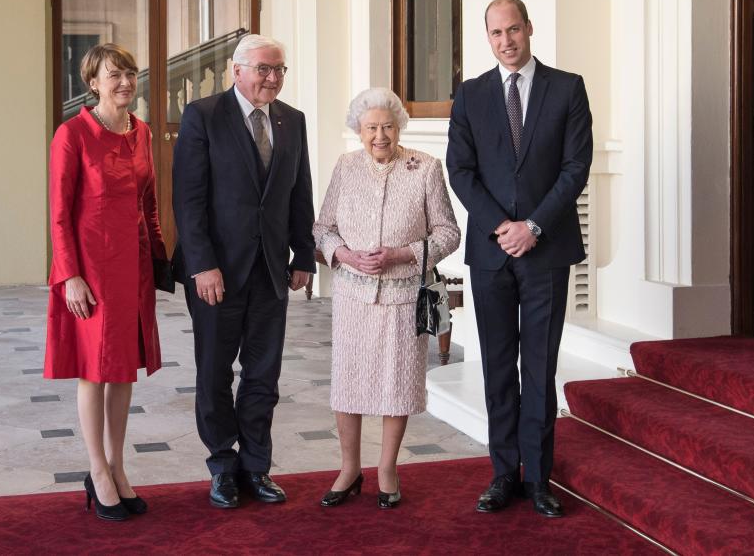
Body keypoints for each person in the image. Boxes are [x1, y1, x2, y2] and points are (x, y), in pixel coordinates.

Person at [446, 0, 593, 518]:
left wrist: (532, 227)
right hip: (490, 255)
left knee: (539, 368)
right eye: (495, 33)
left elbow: (576, 166)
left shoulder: (567, 88)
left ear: (529, 29)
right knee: (496, 370)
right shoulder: (469, 95)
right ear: (487, 38)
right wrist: (500, 228)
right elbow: (460, 171)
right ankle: (503, 474)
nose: (506, 41)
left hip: (545, 251)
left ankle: (539, 480)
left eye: (513, 30)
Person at [172, 34, 316, 509]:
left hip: (271, 271)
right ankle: (221, 466)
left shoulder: (291, 121)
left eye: (279, 69)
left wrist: (302, 256)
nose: (272, 78)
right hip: (218, 273)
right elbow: (188, 201)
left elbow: (300, 194)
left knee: (262, 375)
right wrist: (202, 266)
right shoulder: (204, 116)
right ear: (237, 71)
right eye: (263, 69)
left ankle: (256, 467)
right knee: (215, 373)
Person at [313, 87, 460, 509]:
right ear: (358, 131)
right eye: (371, 128)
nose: (380, 136)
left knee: (398, 382)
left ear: (400, 128)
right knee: (349, 383)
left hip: (402, 298)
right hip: (353, 298)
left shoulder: (426, 168)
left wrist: (403, 254)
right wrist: (342, 253)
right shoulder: (345, 167)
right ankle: (348, 468)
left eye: (387, 127)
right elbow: (323, 227)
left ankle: (388, 468)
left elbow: (449, 232)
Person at [44, 43, 167, 521]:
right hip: (90, 272)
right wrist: (69, 275)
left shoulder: (142, 132)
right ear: (92, 83)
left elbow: (149, 202)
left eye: (130, 74)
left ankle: (117, 466)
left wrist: (159, 257)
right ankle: (96, 470)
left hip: (132, 267)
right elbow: (58, 214)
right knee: (94, 369)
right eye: (114, 75)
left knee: (123, 369)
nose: (125, 83)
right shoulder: (72, 134)